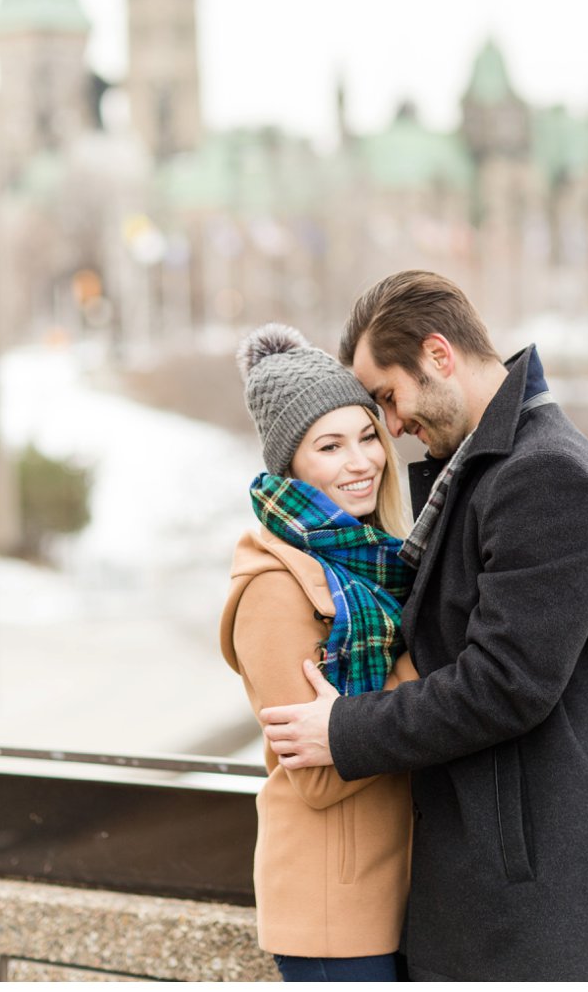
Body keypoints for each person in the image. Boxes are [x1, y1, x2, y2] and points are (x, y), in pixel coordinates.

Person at [260, 271, 588, 981]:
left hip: (541, 905)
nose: (392, 427)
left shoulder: (546, 475)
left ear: (438, 355)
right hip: (497, 888)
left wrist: (346, 727)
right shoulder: (484, 471)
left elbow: (506, 683)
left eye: (387, 397)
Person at [220, 324, 418, 982]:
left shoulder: (375, 563)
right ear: (292, 465)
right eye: (330, 446)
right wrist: (441, 682)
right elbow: (320, 773)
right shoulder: (276, 589)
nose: (360, 461)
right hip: (333, 908)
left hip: (393, 890)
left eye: (367, 436)